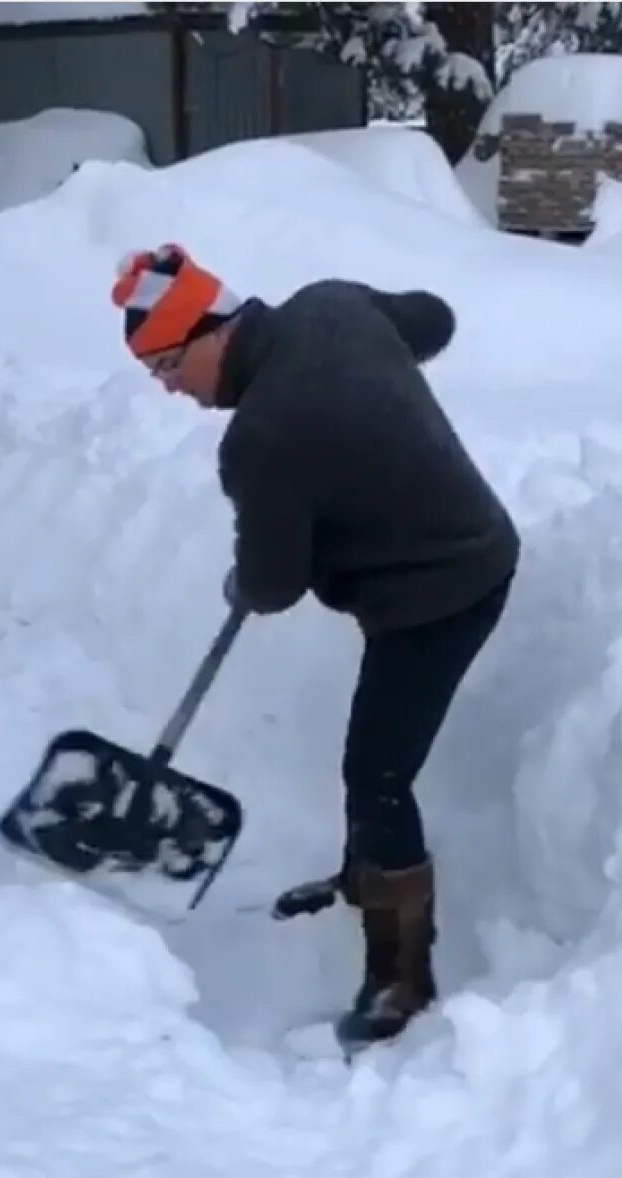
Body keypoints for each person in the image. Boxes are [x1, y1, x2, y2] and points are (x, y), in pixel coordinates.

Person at [112, 243, 520, 1047]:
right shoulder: (333, 304)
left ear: (208, 333)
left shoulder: (260, 438)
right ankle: (368, 874)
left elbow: (274, 587)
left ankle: (401, 982)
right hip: (471, 544)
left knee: (378, 769)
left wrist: (247, 574)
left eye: (165, 364)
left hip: (439, 594)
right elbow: (432, 318)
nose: (166, 388)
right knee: (375, 753)